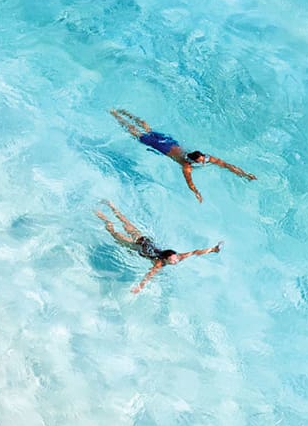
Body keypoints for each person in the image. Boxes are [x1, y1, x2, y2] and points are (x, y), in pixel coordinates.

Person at [110, 108, 255, 202]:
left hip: (170, 141)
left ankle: (123, 112)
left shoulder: (206, 157)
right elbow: (189, 182)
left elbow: (227, 165)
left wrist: (245, 175)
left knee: (146, 126)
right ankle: (117, 115)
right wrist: (196, 192)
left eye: (203, 159)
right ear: (194, 160)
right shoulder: (186, 166)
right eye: (201, 161)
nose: (204, 162)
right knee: (136, 132)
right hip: (162, 147)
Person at [95, 202, 221, 294]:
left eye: (175, 258)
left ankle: (111, 206)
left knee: (126, 223)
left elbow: (195, 252)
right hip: (137, 245)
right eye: (172, 260)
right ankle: (103, 217)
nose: (176, 261)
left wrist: (212, 249)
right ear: (166, 259)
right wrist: (140, 287)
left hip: (145, 239)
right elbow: (150, 274)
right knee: (114, 233)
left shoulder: (179, 256)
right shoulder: (159, 263)